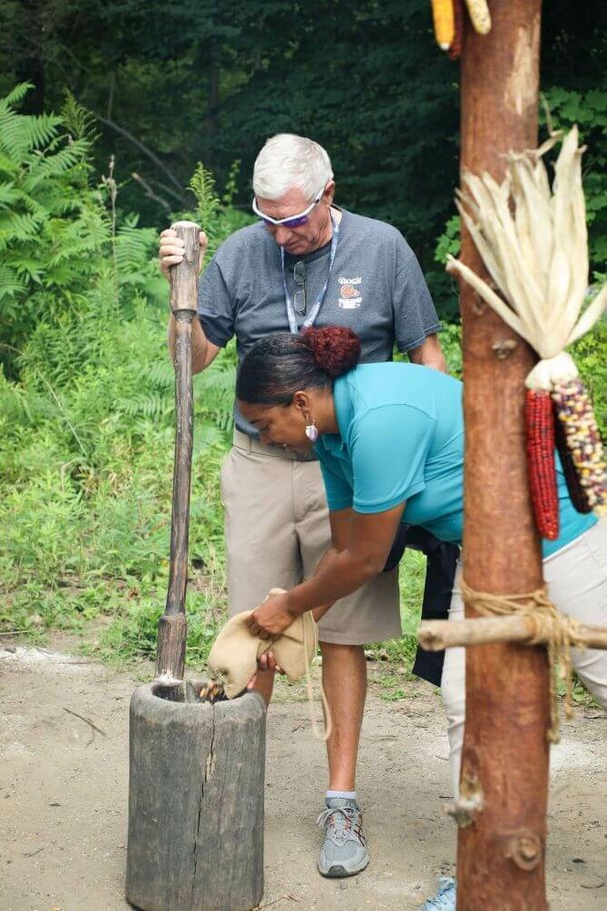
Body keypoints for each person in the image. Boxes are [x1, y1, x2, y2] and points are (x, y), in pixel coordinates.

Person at [159, 133, 458, 878]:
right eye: (267, 220)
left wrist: (437, 450)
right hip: (262, 463)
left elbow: (428, 356)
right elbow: (194, 358)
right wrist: (182, 292)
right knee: (256, 622)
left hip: (359, 468)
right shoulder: (240, 252)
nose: (281, 235)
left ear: (329, 194)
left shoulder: (384, 249)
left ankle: (341, 801)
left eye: (293, 220)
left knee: (344, 630)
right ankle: (230, 789)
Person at [236, 325, 607, 911]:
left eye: (265, 425)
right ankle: (484, 877)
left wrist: (286, 606)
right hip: (484, 553)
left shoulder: (380, 416)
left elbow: (365, 559)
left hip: (561, 539)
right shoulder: (329, 441)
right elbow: (342, 549)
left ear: (300, 403)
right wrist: (295, 628)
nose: (268, 440)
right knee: (470, 707)